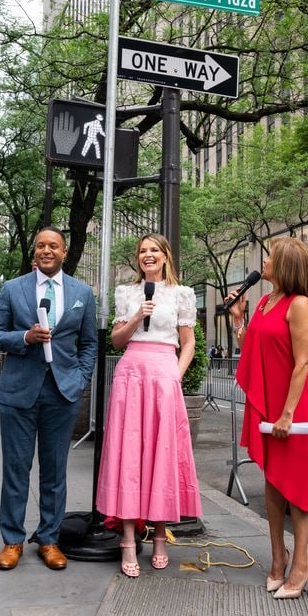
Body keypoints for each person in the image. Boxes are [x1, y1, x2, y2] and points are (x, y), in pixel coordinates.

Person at [0, 226, 97, 571]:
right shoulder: (12, 289)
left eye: (54, 246)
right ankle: (12, 541)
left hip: (63, 392)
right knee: (16, 470)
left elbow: (89, 342)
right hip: (19, 392)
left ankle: (49, 539)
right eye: (41, 246)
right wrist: (25, 337)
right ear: (35, 252)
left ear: (64, 252)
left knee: (54, 471)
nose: (46, 250)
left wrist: (80, 379)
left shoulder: (82, 292)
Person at [96, 234, 203, 578]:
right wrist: (134, 317)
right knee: (129, 456)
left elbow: (188, 344)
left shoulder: (182, 295)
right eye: (142, 251)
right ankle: (128, 539)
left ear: (166, 255)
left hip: (164, 377)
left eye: (154, 250)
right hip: (131, 374)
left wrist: (175, 374)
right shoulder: (126, 292)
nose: (148, 255)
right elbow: (115, 340)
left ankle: (159, 536)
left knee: (162, 455)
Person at [228, 237, 308, 600]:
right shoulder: (266, 301)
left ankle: (301, 563)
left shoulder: (299, 304)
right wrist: (239, 319)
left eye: (269, 257)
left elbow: (303, 362)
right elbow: (252, 350)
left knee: (296, 485)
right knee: (272, 481)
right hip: (269, 405)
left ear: (284, 265)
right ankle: (278, 559)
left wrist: (287, 413)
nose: (263, 262)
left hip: (292, 407)